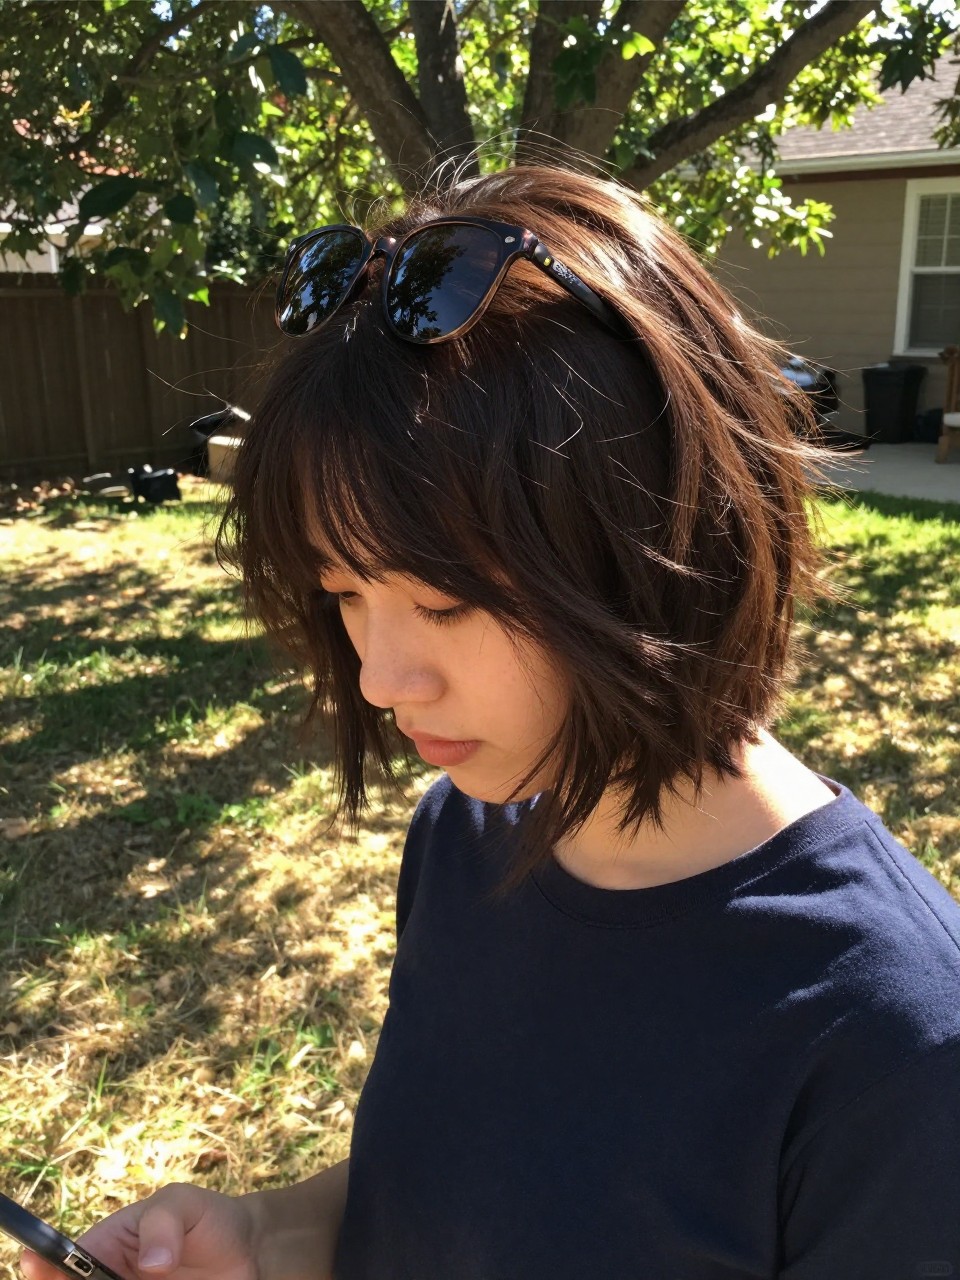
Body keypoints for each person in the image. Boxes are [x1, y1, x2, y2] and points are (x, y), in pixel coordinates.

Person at [21, 162, 960, 1280]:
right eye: (345, 591)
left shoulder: (896, 1040)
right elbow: (452, 1186)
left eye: (446, 600)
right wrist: (269, 1234)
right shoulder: (466, 833)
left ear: (654, 535)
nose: (378, 677)